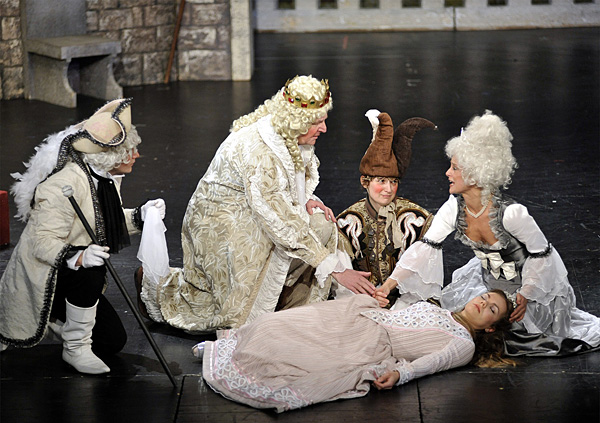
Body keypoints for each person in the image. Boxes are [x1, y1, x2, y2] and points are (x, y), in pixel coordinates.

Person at [136, 75, 371, 332]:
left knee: (319, 224)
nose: (324, 129)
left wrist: (305, 199)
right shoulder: (262, 151)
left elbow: (283, 185)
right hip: (221, 223)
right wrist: (335, 269)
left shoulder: (287, 133)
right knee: (238, 312)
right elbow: (278, 219)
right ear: (296, 121)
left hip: (250, 209)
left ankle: (281, 308)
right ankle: (160, 291)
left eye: (324, 120)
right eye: (317, 122)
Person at [374, 110, 600, 356]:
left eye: (454, 168)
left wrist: (525, 294)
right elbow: (426, 248)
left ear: (475, 174)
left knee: (506, 339)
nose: (447, 173)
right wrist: (389, 285)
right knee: (452, 322)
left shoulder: (512, 214)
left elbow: (543, 256)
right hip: (488, 287)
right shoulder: (453, 208)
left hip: (532, 294)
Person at [0, 99, 166, 374]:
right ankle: (75, 348)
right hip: (48, 275)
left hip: (72, 275)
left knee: (112, 341)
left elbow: (100, 221)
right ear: (111, 155)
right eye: (131, 151)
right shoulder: (62, 185)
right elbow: (42, 241)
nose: (136, 156)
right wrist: (78, 257)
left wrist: (141, 216)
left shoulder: (104, 178)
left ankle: (60, 322)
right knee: (91, 271)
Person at [193, 289, 513, 412]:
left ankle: (238, 361)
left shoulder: (463, 343)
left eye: (491, 309)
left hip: (371, 344)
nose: (482, 303)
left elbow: (433, 363)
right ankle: (223, 348)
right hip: (363, 316)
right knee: (280, 322)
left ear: (491, 327)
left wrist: (400, 374)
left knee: (297, 354)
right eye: (485, 297)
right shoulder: (440, 308)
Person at [333, 109, 435, 306]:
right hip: (361, 303)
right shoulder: (347, 222)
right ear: (365, 182)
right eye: (381, 181)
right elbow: (344, 281)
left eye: (394, 181)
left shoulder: (418, 220)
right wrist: (369, 298)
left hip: (408, 304)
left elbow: (425, 277)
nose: (389, 189)